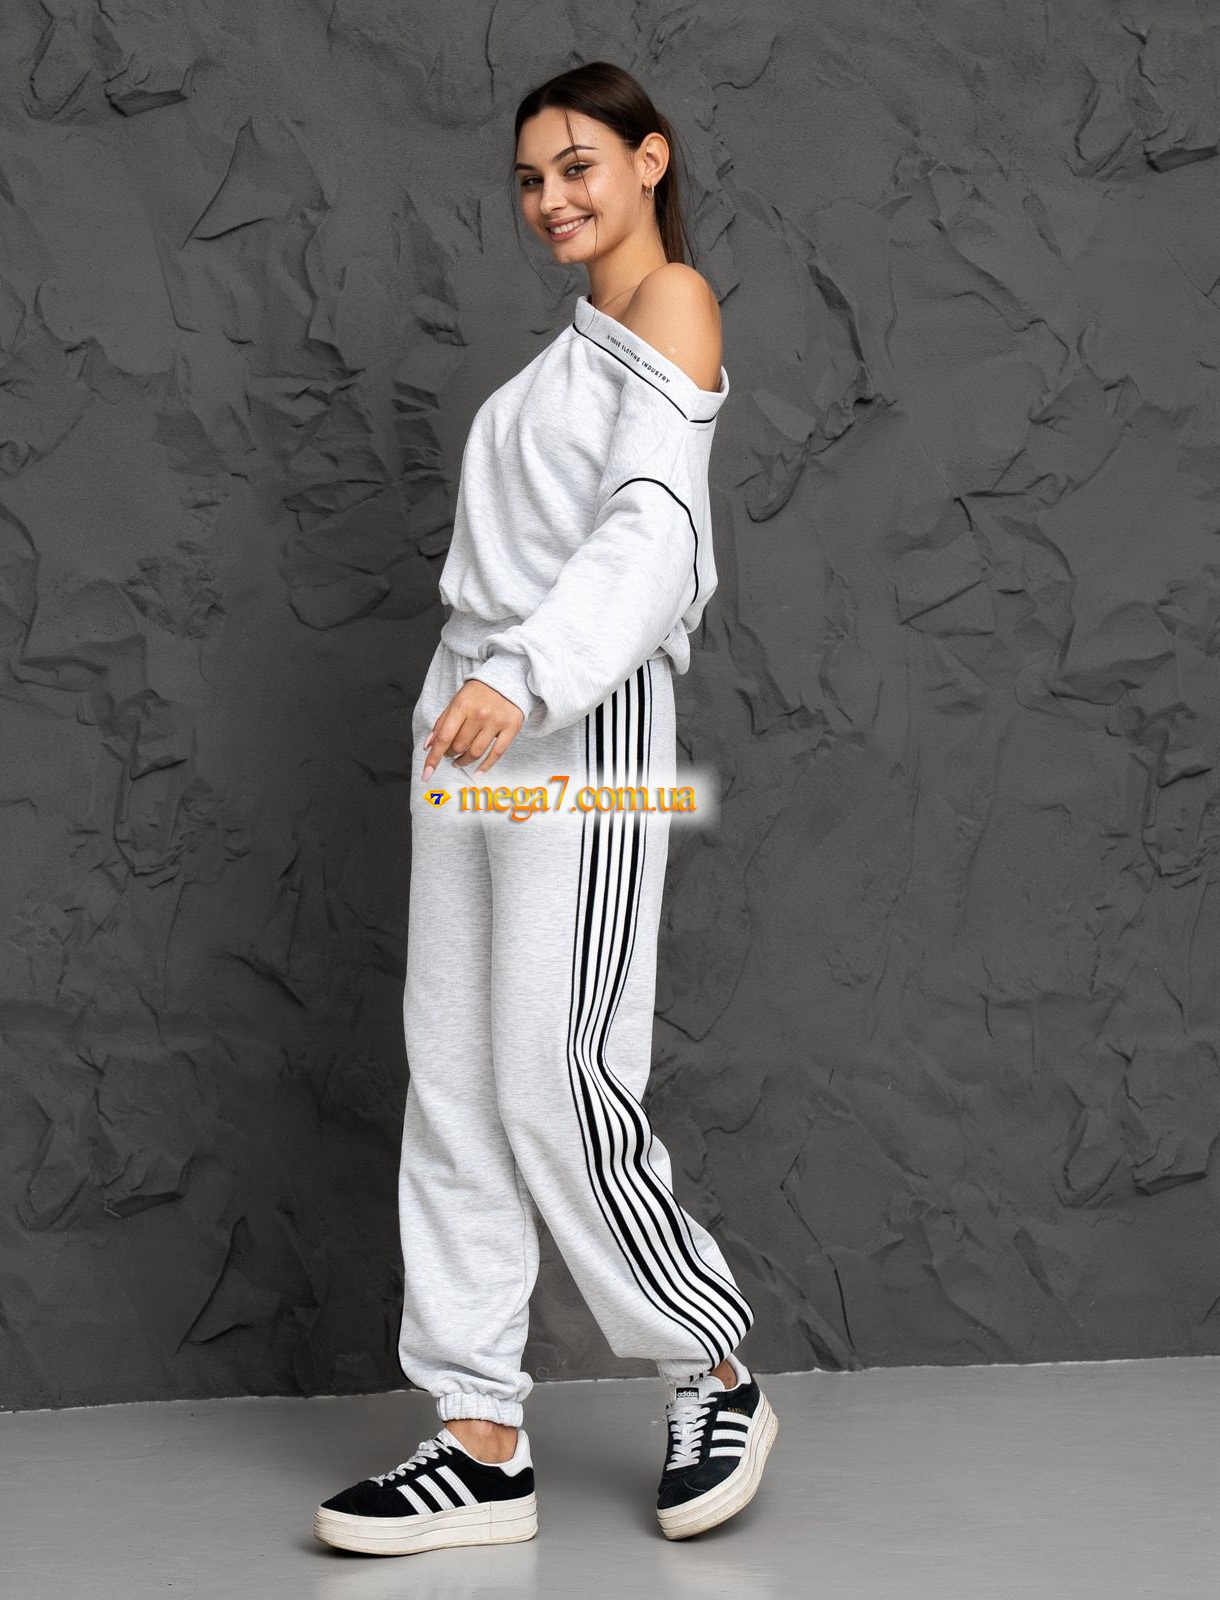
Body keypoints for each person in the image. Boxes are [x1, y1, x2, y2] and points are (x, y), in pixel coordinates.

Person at [314, 61, 777, 1558]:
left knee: (552, 1077)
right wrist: (474, 689)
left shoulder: (674, 303)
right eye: (530, 179)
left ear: (650, 160)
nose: (552, 198)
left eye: (578, 165)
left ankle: (710, 1367)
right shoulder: (569, 353)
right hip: (473, 714)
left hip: (569, 714)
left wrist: (526, 677)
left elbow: (651, 536)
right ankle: (479, 1437)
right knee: (453, 1080)